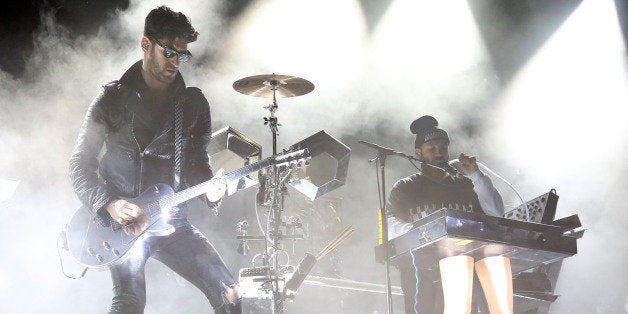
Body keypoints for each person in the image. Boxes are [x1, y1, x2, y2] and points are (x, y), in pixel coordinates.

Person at [69, 6, 241, 313]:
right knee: (129, 305)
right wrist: (109, 203)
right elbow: (80, 162)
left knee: (230, 293)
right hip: (125, 224)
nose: (176, 62)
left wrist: (212, 190)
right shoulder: (112, 98)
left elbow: (196, 163)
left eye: (183, 55)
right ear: (146, 45)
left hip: (172, 220)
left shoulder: (193, 104)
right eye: (169, 52)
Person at [387, 115, 511, 313]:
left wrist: (476, 175)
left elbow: (496, 213)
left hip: (464, 268)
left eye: (443, 147)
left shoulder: (466, 183)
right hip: (421, 271)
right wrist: (421, 232)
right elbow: (390, 224)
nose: (439, 153)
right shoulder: (405, 187)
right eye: (432, 148)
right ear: (418, 153)